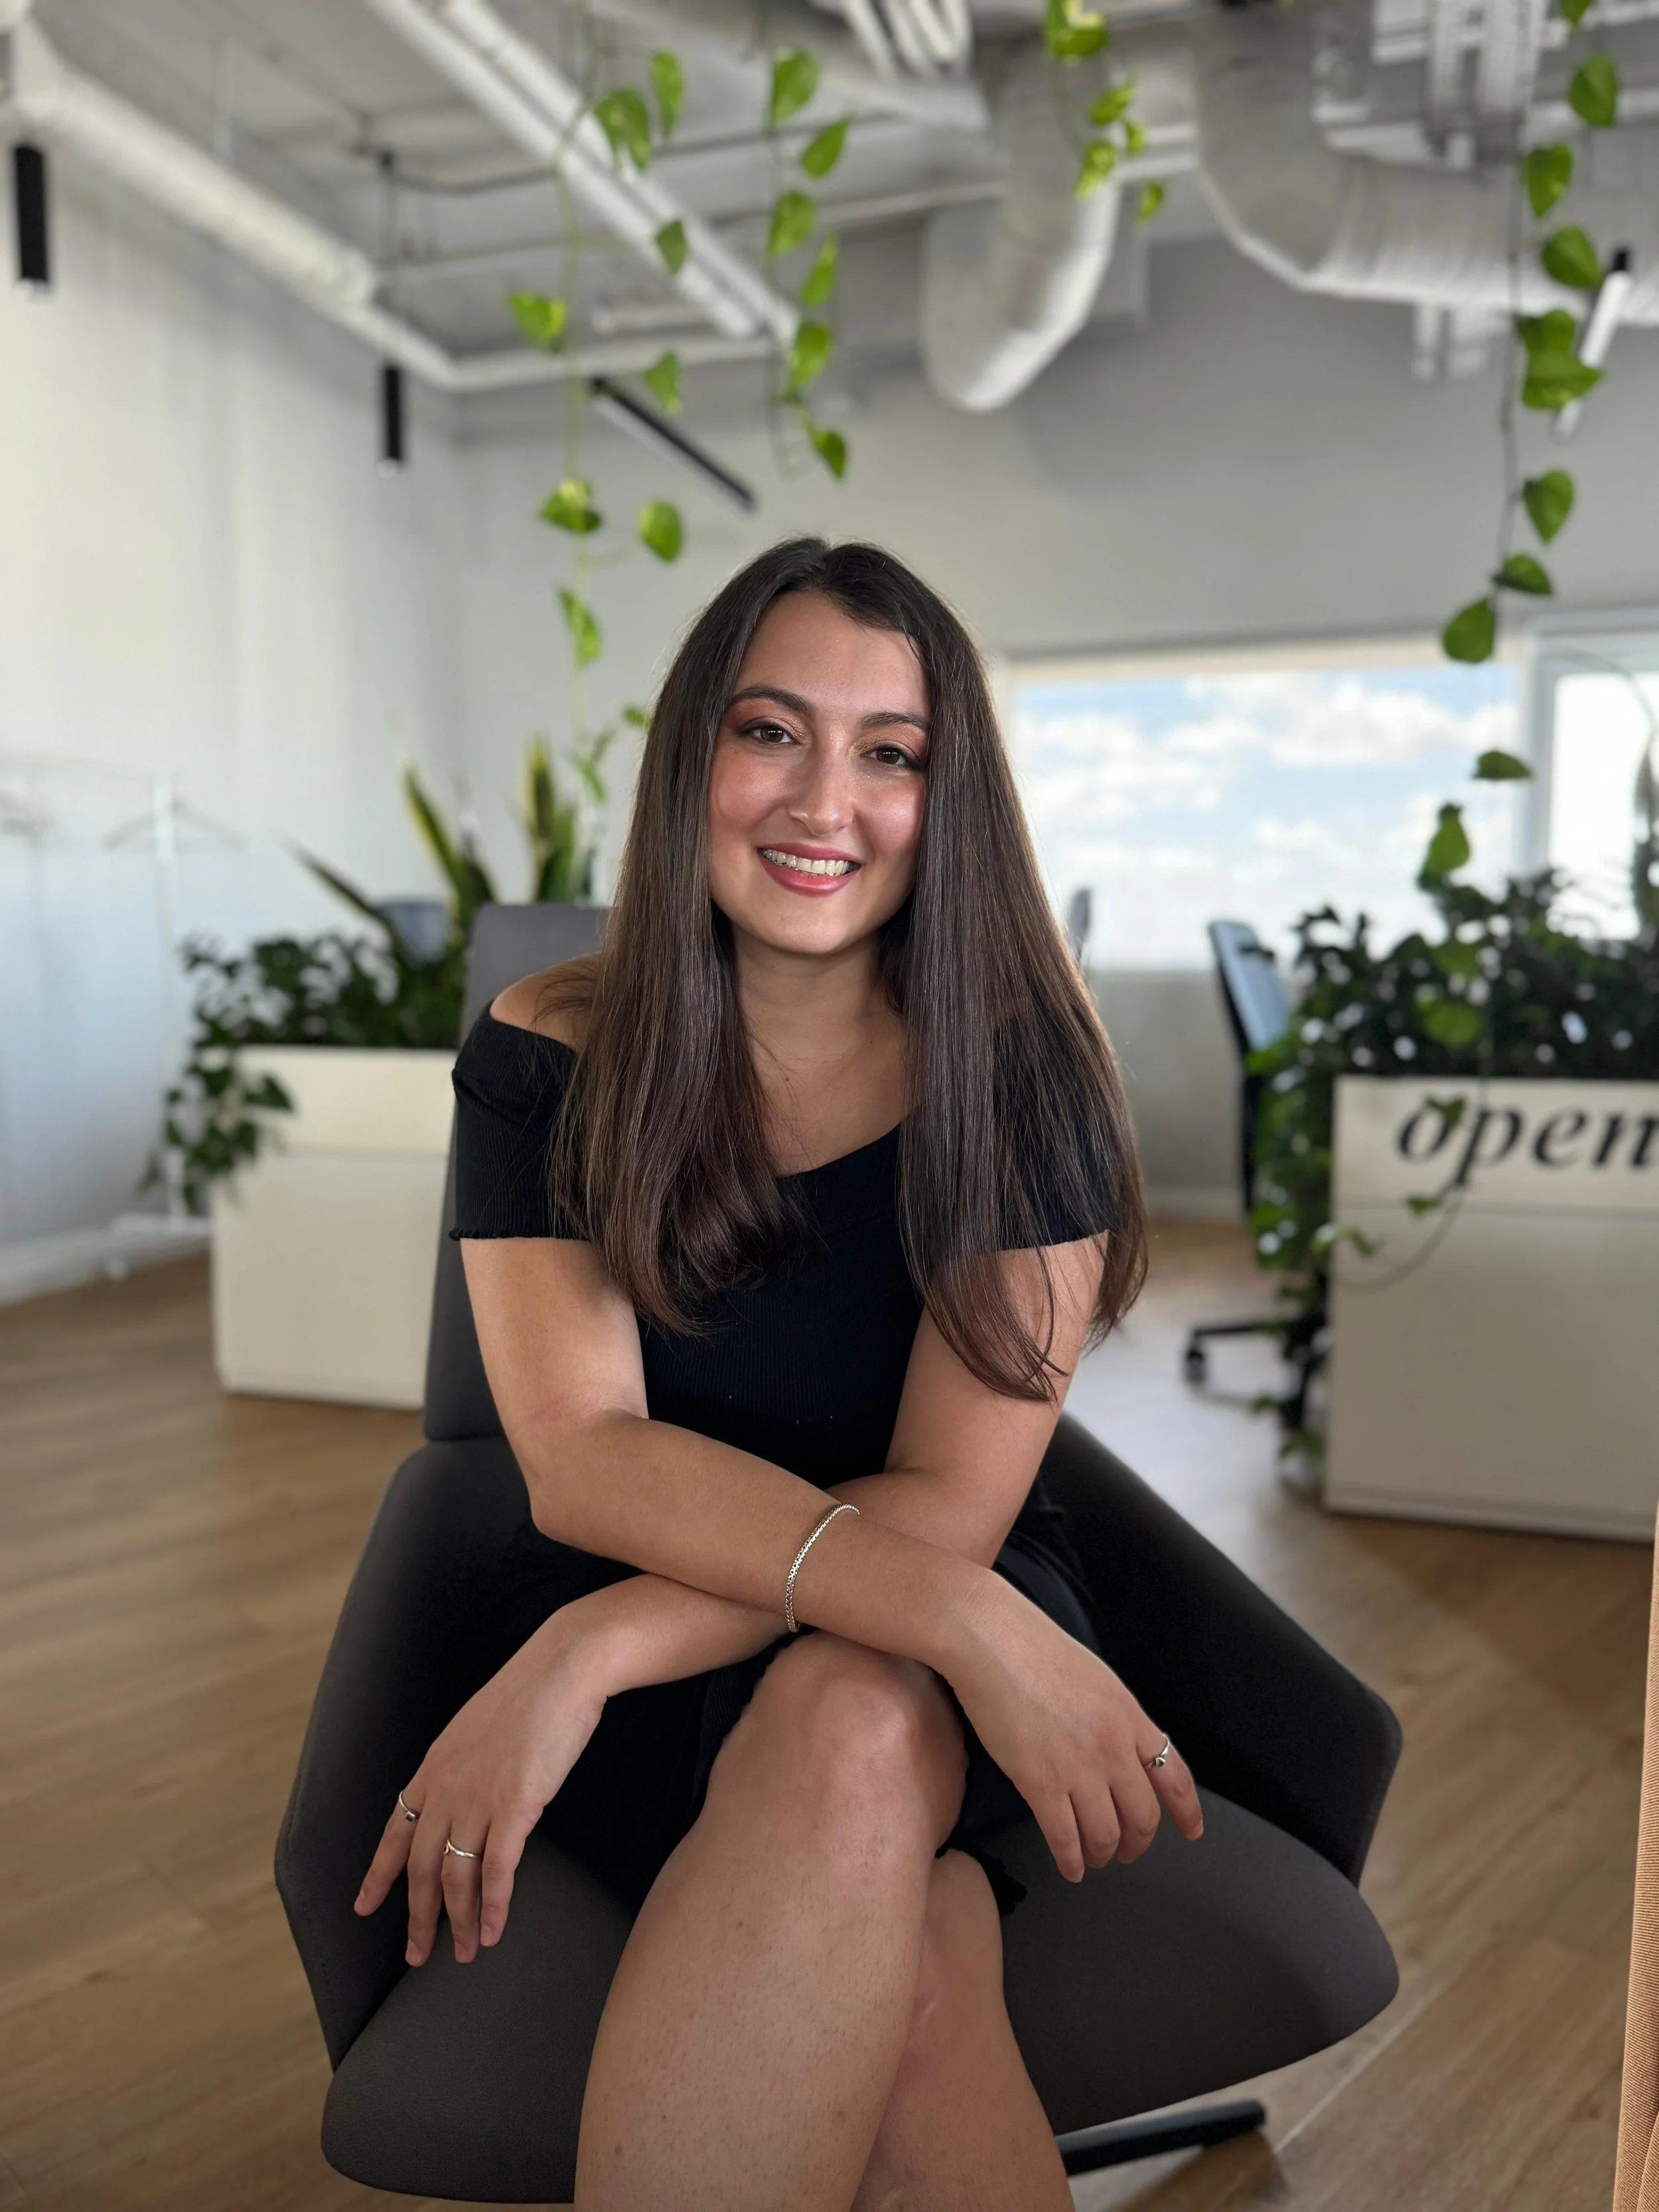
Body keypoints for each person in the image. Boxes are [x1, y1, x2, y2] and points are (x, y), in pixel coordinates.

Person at [354, 538, 1204, 2211]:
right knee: (914, 1966)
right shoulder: (549, 1050)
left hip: (881, 1603)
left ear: (944, 798)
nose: (825, 800)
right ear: (693, 758)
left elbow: (952, 1509)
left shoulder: (1019, 1078)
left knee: (859, 1718)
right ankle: (924, 1903)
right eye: (771, 732)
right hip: (672, 1600)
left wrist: (587, 1653)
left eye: (890, 752)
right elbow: (587, 1459)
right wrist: (613, 1631)